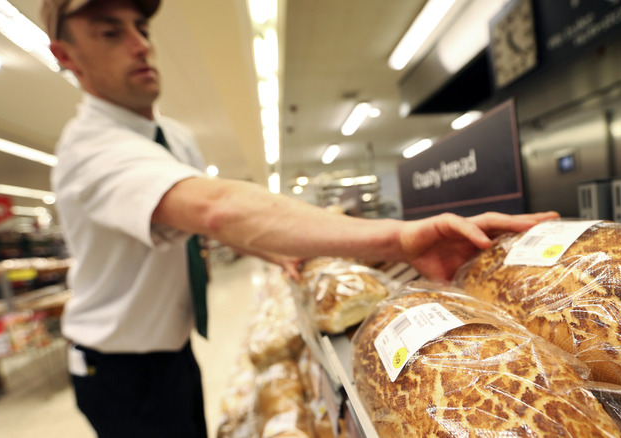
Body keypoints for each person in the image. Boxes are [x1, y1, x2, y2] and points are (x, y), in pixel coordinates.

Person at [41, 0, 558, 436]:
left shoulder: (174, 136)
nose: (139, 44)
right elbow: (214, 209)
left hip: (171, 347)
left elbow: (200, 224)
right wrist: (398, 238)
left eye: (141, 27)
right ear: (65, 56)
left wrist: (279, 249)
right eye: (110, 32)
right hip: (115, 361)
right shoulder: (89, 150)